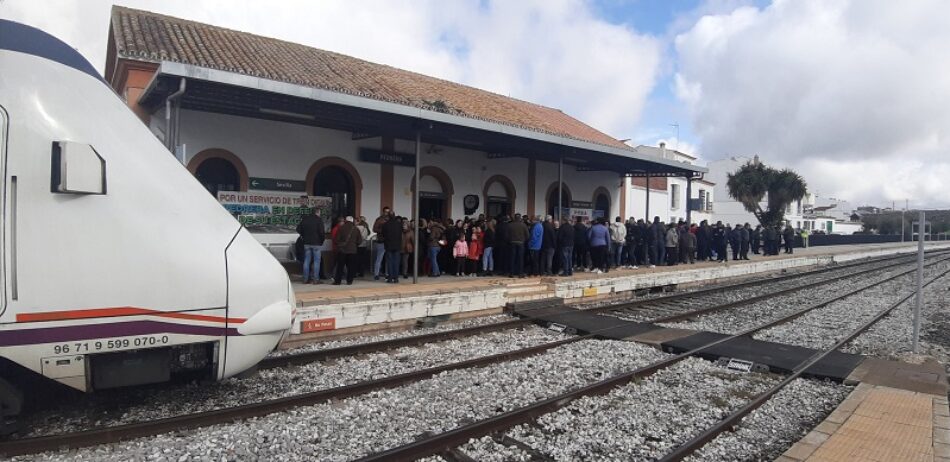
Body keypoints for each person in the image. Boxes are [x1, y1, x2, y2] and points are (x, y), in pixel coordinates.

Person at [296, 208, 325, 284]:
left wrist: (303, 236)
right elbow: (322, 232)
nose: (320, 214)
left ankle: (305, 279)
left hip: (306, 243)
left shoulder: (305, 219)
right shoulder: (318, 220)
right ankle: (315, 279)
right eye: (320, 212)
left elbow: (298, 229)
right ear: (317, 212)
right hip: (316, 243)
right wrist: (321, 241)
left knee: (306, 261)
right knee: (316, 261)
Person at [333, 216, 362, 285]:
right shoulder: (356, 229)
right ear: (352, 221)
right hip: (352, 251)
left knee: (340, 267)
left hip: (342, 250)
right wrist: (354, 245)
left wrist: (340, 244)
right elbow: (359, 241)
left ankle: (338, 281)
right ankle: (349, 281)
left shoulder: (341, 228)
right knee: (351, 267)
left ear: (345, 221)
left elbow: (336, 240)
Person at [382, 212, 403, 283]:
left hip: (388, 245)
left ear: (388, 216)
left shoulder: (385, 225)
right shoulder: (399, 224)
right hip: (397, 245)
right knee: (396, 262)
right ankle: (396, 278)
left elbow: (383, 234)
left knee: (389, 262)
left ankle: (390, 278)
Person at [371, 207, 391, 281]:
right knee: (379, 258)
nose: (387, 213)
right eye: (386, 212)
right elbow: (374, 229)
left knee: (388, 259)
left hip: (388, 241)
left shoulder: (390, 219)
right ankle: (376, 274)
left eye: (388, 212)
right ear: (383, 212)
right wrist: (382, 230)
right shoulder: (379, 219)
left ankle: (387, 273)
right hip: (381, 241)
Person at [508, 213, 529, 277]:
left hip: (512, 243)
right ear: (520, 218)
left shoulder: (510, 225)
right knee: (520, 258)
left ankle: (511, 273)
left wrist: (510, 240)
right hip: (521, 243)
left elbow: (507, 235)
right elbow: (527, 235)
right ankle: (520, 273)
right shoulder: (523, 225)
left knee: (512, 258)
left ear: (514, 218)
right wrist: (524, 240)